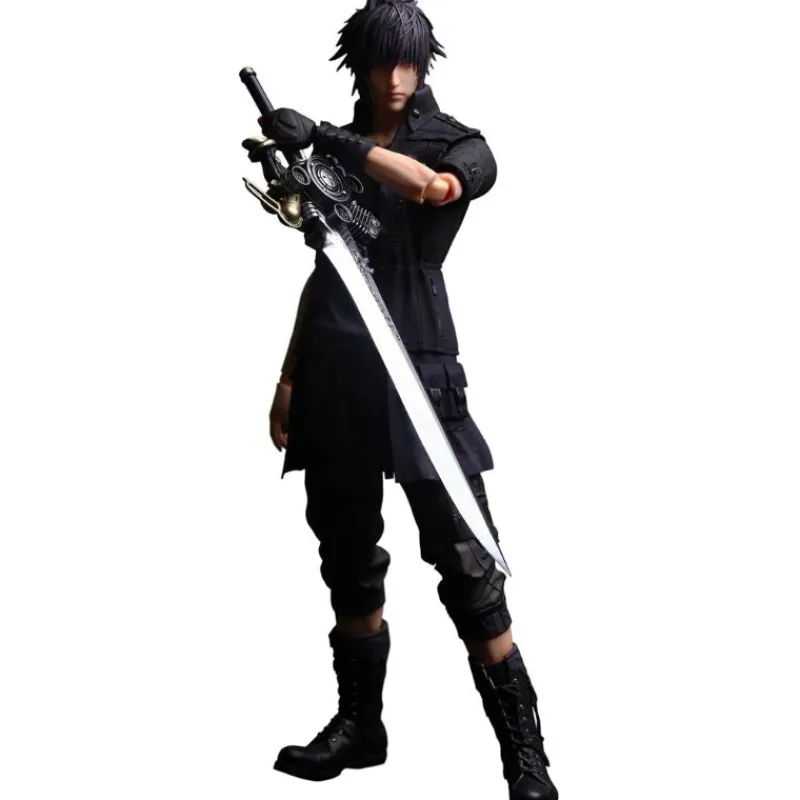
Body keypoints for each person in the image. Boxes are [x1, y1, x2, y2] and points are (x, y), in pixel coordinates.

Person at [258, 2, 558, 797]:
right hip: (336, 371)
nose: (396, 77)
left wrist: (328, 139)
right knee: (346, 558)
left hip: (420, 366)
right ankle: (360, 726)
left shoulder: (457, 143)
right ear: (356, 62)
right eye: (381, 60)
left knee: (468, 568)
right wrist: (288, 377)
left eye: (409, 60)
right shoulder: (328, 154)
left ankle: (527, 760)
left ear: (425, 62)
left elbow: (431, 189)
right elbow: (328, 268)